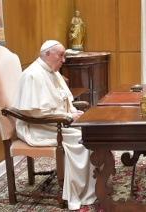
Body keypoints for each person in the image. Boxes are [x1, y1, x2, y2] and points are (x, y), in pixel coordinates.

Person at [11, 40, 96, 210]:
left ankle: (93, 186)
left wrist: (72, 112)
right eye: (61, 55)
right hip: (37, 127)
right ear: (47, 54)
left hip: (56, 122)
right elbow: (34, 113)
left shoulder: (52, 71)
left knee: (93, 133)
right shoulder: (33, 75)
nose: (63, 60)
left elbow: (64, 99)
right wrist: (68, 116)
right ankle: (79, 192)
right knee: (82, 139)